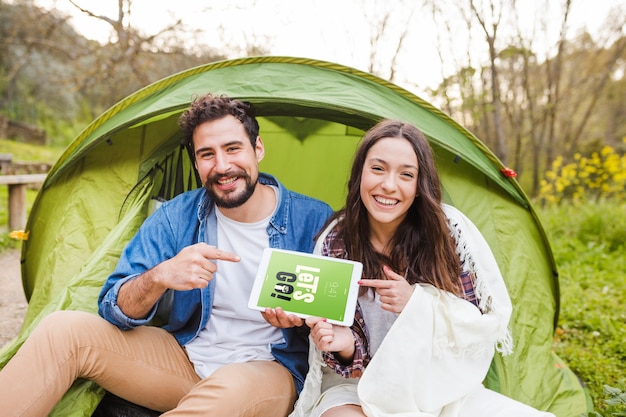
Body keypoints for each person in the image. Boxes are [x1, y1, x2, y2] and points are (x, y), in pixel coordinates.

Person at [0, 93, 333, 416]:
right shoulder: (177, 216)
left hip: (269, 370)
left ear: (257, 148)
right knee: (63, 330)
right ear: (196, 162)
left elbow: (341, 319)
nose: (222, 166)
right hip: (184, 359)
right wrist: (160, 277)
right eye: (207, 154)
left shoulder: (313, 219)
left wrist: (303, 321)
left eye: (233, 149)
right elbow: (114, 308)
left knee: (231, 388)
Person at [280, 120, 555, 417]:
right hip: (359, 389)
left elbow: (479, 324)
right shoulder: (337, 239)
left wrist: (416, 302)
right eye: (378, 168)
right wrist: (345, 345)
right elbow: (341, 350)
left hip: (439, 389)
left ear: (419, 184)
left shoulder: (447, 233)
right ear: (360, 173)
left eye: (406, 174)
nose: (388, 185)